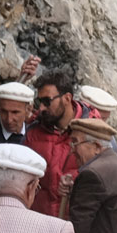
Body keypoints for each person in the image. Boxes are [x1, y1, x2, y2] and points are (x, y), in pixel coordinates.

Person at [26, 71, 86, 217]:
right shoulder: (33, 131)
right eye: (39, 102)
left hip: (73, 228)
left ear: (67, 98)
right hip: (37, 224)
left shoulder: (92, 133)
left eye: (47, 101)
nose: (41, 108)